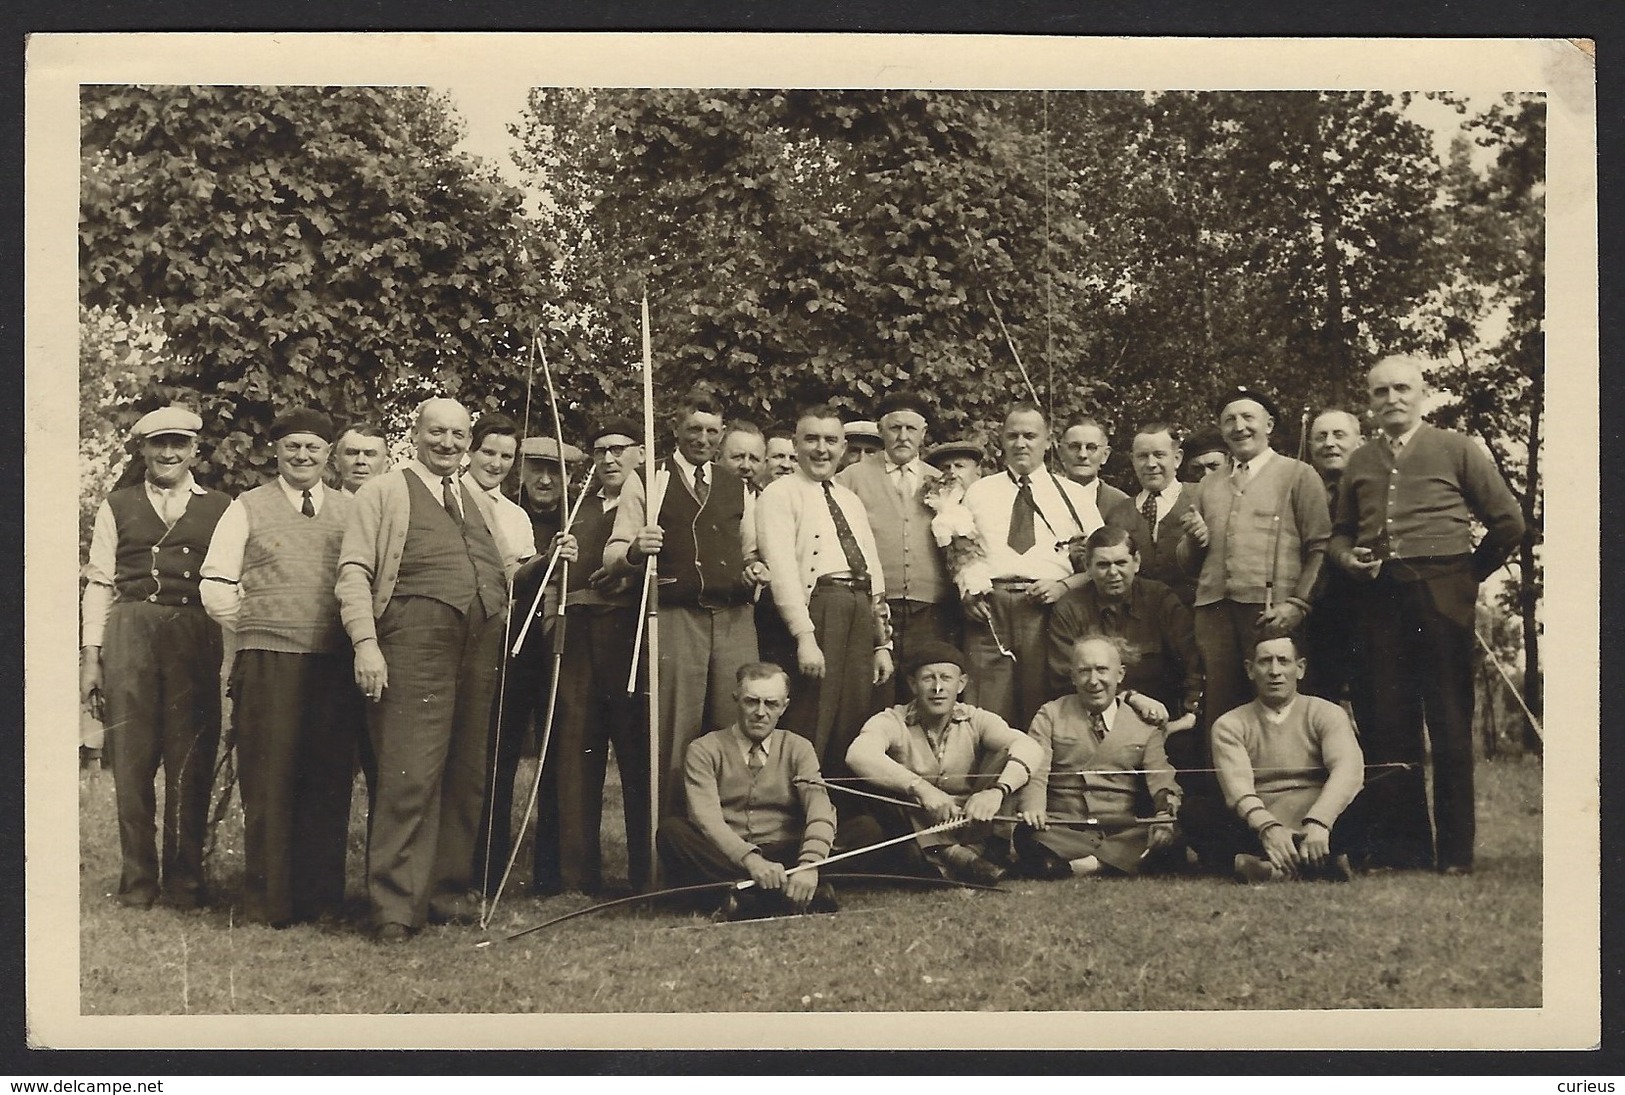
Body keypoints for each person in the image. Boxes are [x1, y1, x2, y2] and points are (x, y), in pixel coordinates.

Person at [1329, 355, 1524, 874]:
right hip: (1379, 600)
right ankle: (1404, 849)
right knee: (1390, 725)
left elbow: (1509, 522)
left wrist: (1465, 578)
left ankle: (1456, 854)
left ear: (1422, 394)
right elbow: (1341, 532)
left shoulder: (1457, 448)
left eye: (1402, 389)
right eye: (1380, 392)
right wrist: (1349, 559)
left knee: (1450, 723)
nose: (1392, 399)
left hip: (1442, 598)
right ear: (1369, 402)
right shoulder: (1360, 460)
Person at [336, 397, 513, 941]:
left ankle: (445, 892)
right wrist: (366, 643)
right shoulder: (384, 492)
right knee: (409, 773)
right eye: (437, 433)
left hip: (478, 647)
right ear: (416, 434)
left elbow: (503, 567)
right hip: (413, 643)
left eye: (459, 435)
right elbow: (353, 572)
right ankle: (394, 905)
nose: (449, 444)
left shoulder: (474, 500)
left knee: (465, 775)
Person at [200, 407, 358, 926]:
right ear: (277, 451)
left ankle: (322, 901)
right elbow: (216, 584)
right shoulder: (247, 507)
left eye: (313, 447)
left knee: (328, 779)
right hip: (268, 662)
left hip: (333, 662)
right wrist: (258, 623)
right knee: (268, 780)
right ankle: (268, 901)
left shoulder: (351, 508)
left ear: (328, 454)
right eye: (292, 446)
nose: (303, 455)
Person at [80, 405, 231, 910]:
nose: (168, 453)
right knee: (132, 757)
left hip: (194, 631)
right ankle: (138, 881)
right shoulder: (116, 504)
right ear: (142, 449)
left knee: (191, 754)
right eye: (158, 444)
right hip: (131, 630)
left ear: (195, 450)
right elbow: (100, 583)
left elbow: (234, 582)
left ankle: (186, 881)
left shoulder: (222, 507)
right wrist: (91, 658)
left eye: (179, 444)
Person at [605, 389, 764, 819]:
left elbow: (750, 552)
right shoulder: (650, 478)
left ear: (722, 434)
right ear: (675, 429)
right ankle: (667, 844)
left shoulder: (737, 487)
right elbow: (613, 553)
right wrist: (637, 548)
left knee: (735, 726)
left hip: (733, 620)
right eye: (694, 429)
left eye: (712, 431)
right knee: (673, 733)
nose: (703, 439)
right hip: (674, 619)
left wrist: (754, 570)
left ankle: (729, 837)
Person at [1178, 386, 1330, 738]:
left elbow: (1320, 547)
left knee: (1278, 710)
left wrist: (1298, 604)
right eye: (1229, 419)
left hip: (1272, 615)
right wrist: (1194, 541)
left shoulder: (1299, 474)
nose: (1239, 426)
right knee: (1222, 712)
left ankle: (1284, 790)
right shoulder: (1208, 485)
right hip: (1215, 615)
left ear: (1270, 424)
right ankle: (1226, 792)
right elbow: (1188, 565)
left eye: (1249, 417)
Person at [757, 404, 892, 777]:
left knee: (853, 715)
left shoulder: (849, 499)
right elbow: (781, 569)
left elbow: (873, 570)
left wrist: (882, 643)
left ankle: (842, 817)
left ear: (843, 446)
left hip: (859, 610)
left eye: (831, 440)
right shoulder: (780, 493)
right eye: (811, 439)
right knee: (811, 714)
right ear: (796, 444)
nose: (821, 449)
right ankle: (797, 811)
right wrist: (805, 636)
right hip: (817, 611)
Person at [478, 432, 580, 897]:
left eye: (555, 471)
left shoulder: (580, 515)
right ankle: (487, 866)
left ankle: (551, 871)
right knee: (497, 756)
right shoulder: (504, 512)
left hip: (561, 650)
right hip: (508, 649)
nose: (544, 479)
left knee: (558, 759)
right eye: (535, 468)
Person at [552, 418, 652, 895]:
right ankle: (576, 873)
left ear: (639, 453)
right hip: (578, 637)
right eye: (600, 451)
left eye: (619, 450)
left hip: (629, 635)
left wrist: (626, 574)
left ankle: (644, 870)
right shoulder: (579, 508)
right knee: (576, 747)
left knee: (635, 751)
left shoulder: (652, 498)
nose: (609, 459)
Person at [845, 642, 1042, 885]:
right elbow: (858, 754)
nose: (937, 688)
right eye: (928, 678)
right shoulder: (892, 719)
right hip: (916, 825)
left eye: (946, 678)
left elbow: (1031, 747)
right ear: (912, 684)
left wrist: (997, 792)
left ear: (961, 684)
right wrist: (920, 788)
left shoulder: (976, 718)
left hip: (969, 823)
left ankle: (959, 858)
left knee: (1009, 757)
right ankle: (956, 858)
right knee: (879, 782)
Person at [657, 662, 840, 920]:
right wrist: (752, 861)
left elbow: (819, 807)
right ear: (736, 700)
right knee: (672, 833)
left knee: (862, 830)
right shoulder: (704, 749)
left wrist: (811, 864)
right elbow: (707, 820)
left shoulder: (799, 747)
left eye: (771, 704)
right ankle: (794, 896)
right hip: (727, 856)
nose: (760, 713)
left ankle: (742, 901)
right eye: (751, 702)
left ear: (784, 706)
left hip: (784, 850)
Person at [958, 403, 1102, 731]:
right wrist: (967, 591)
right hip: (989, 610)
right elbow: (960, 552)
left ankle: (1037, 779)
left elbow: (1102, 563)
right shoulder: (979, 491)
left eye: (1030, 436)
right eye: (1013, 436)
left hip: (1047, 609)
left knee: (1043, 704)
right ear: (1002, 440)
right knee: (985, 707)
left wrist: (1064, 586)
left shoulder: (1073, 495)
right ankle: (990, 779)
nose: (1021, 443)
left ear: (1048, 441)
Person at [1186, 628, 1364, 883]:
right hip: (1260, 822)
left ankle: (1265, 867)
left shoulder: (1327, 713)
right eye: (1265, 662)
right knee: (1195, 812)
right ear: (1250, 670)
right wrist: (1269, 828)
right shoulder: (1230, 724)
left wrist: (1320, 822)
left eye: (1283, 661)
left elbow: (1347, 770)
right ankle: (1321, 864)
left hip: (1317, 819)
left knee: (1365, 801)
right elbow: (1239, 789)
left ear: (1300, 668)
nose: (1275, 671)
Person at [1016, 635, 1181, 878]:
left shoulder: (1144, 724)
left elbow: (1161, 778)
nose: (1093, 681)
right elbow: (1036, 771)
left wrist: (1164, 815)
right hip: (1065, 827)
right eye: (1084, 671)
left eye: (1102, 670)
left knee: (1170, 834)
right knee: (1027, 833)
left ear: (1120, 674)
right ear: (1072, 676)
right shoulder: (1050, 714)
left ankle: (1075, 867)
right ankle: (1115, 862)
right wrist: (1034, 809)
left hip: (1122, 828)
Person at [837, 390, 959, 706]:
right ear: (881, 430)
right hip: (875, 604)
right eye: (894, 428)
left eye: (911, 429)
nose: (902, 436)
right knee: (873, 693)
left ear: (923, 433)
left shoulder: (942, 481)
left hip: (929, 608)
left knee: (923, 693)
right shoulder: (852, 477)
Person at [1047, 526, 1201, 760]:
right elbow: (1063, 678)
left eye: (1121, 563)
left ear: (1136, 562)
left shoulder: (1160, 599)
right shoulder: (1070, 609)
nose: (1113, 573)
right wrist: (1129, 697)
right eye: (1102, 565)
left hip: (1162, 724)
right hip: (1094, 722)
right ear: (1087, 568)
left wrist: (1190, 714)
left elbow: (1194, 661)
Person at [1302, 409, 1366, 705]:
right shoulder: (1300, 491)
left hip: (1368, 610)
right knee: (1318, 701)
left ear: (1360, 442)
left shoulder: (1377, 489)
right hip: (1316, 616)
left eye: (1339, 435)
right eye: (1320, 437)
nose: (1329, 443)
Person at [1120, 422, 1199, 606]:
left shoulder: (1201, 497)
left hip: (1193, 614)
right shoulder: (1119, 512)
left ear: (1177, 458)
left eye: (1159, 455)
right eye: (1142, 456)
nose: (1151, 464)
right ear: (1133, 461)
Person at [462, 414, 537, 568]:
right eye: (488, 453)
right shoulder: (445, 496)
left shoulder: (517, 516)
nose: (496, 464)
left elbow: (521, 579)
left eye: (506, 456)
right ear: (470, 450)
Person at [1058, 418, 1136, 529]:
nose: (1082, 455)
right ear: (1061, 452)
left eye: (1091, 447)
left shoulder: (1122, 504)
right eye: (1074, 446)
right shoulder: (1043, 499)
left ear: (1105, 455)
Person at [332, 424, 391, 495]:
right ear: (336, 462)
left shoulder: (400, 505)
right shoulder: (320, 504)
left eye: (370, 454)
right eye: (352, 453)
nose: (360, 461)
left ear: (386, 464)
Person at [719, 421, 768, 496]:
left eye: (754, 459)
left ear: (765, 464)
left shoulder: (771, 505)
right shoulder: (703, 503)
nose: (746, 466)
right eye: (738, 457)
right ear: (718, 458)